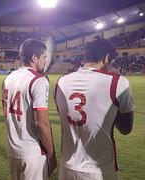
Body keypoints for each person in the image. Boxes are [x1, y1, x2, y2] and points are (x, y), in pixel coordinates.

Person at [54, 38, 134, 180]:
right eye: (112, 62)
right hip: (100, 170)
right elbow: (126, 128)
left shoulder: (61, 81)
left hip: (67, 168)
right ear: (106, 58)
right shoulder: (118, 82)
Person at [2, 38, 57, 180]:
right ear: (34, 57)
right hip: (32, 152)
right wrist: (51, 154)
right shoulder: (38, 80)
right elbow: (42, 123)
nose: (46, 61)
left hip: (12, 149)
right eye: (44, 57)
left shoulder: (9, 78)